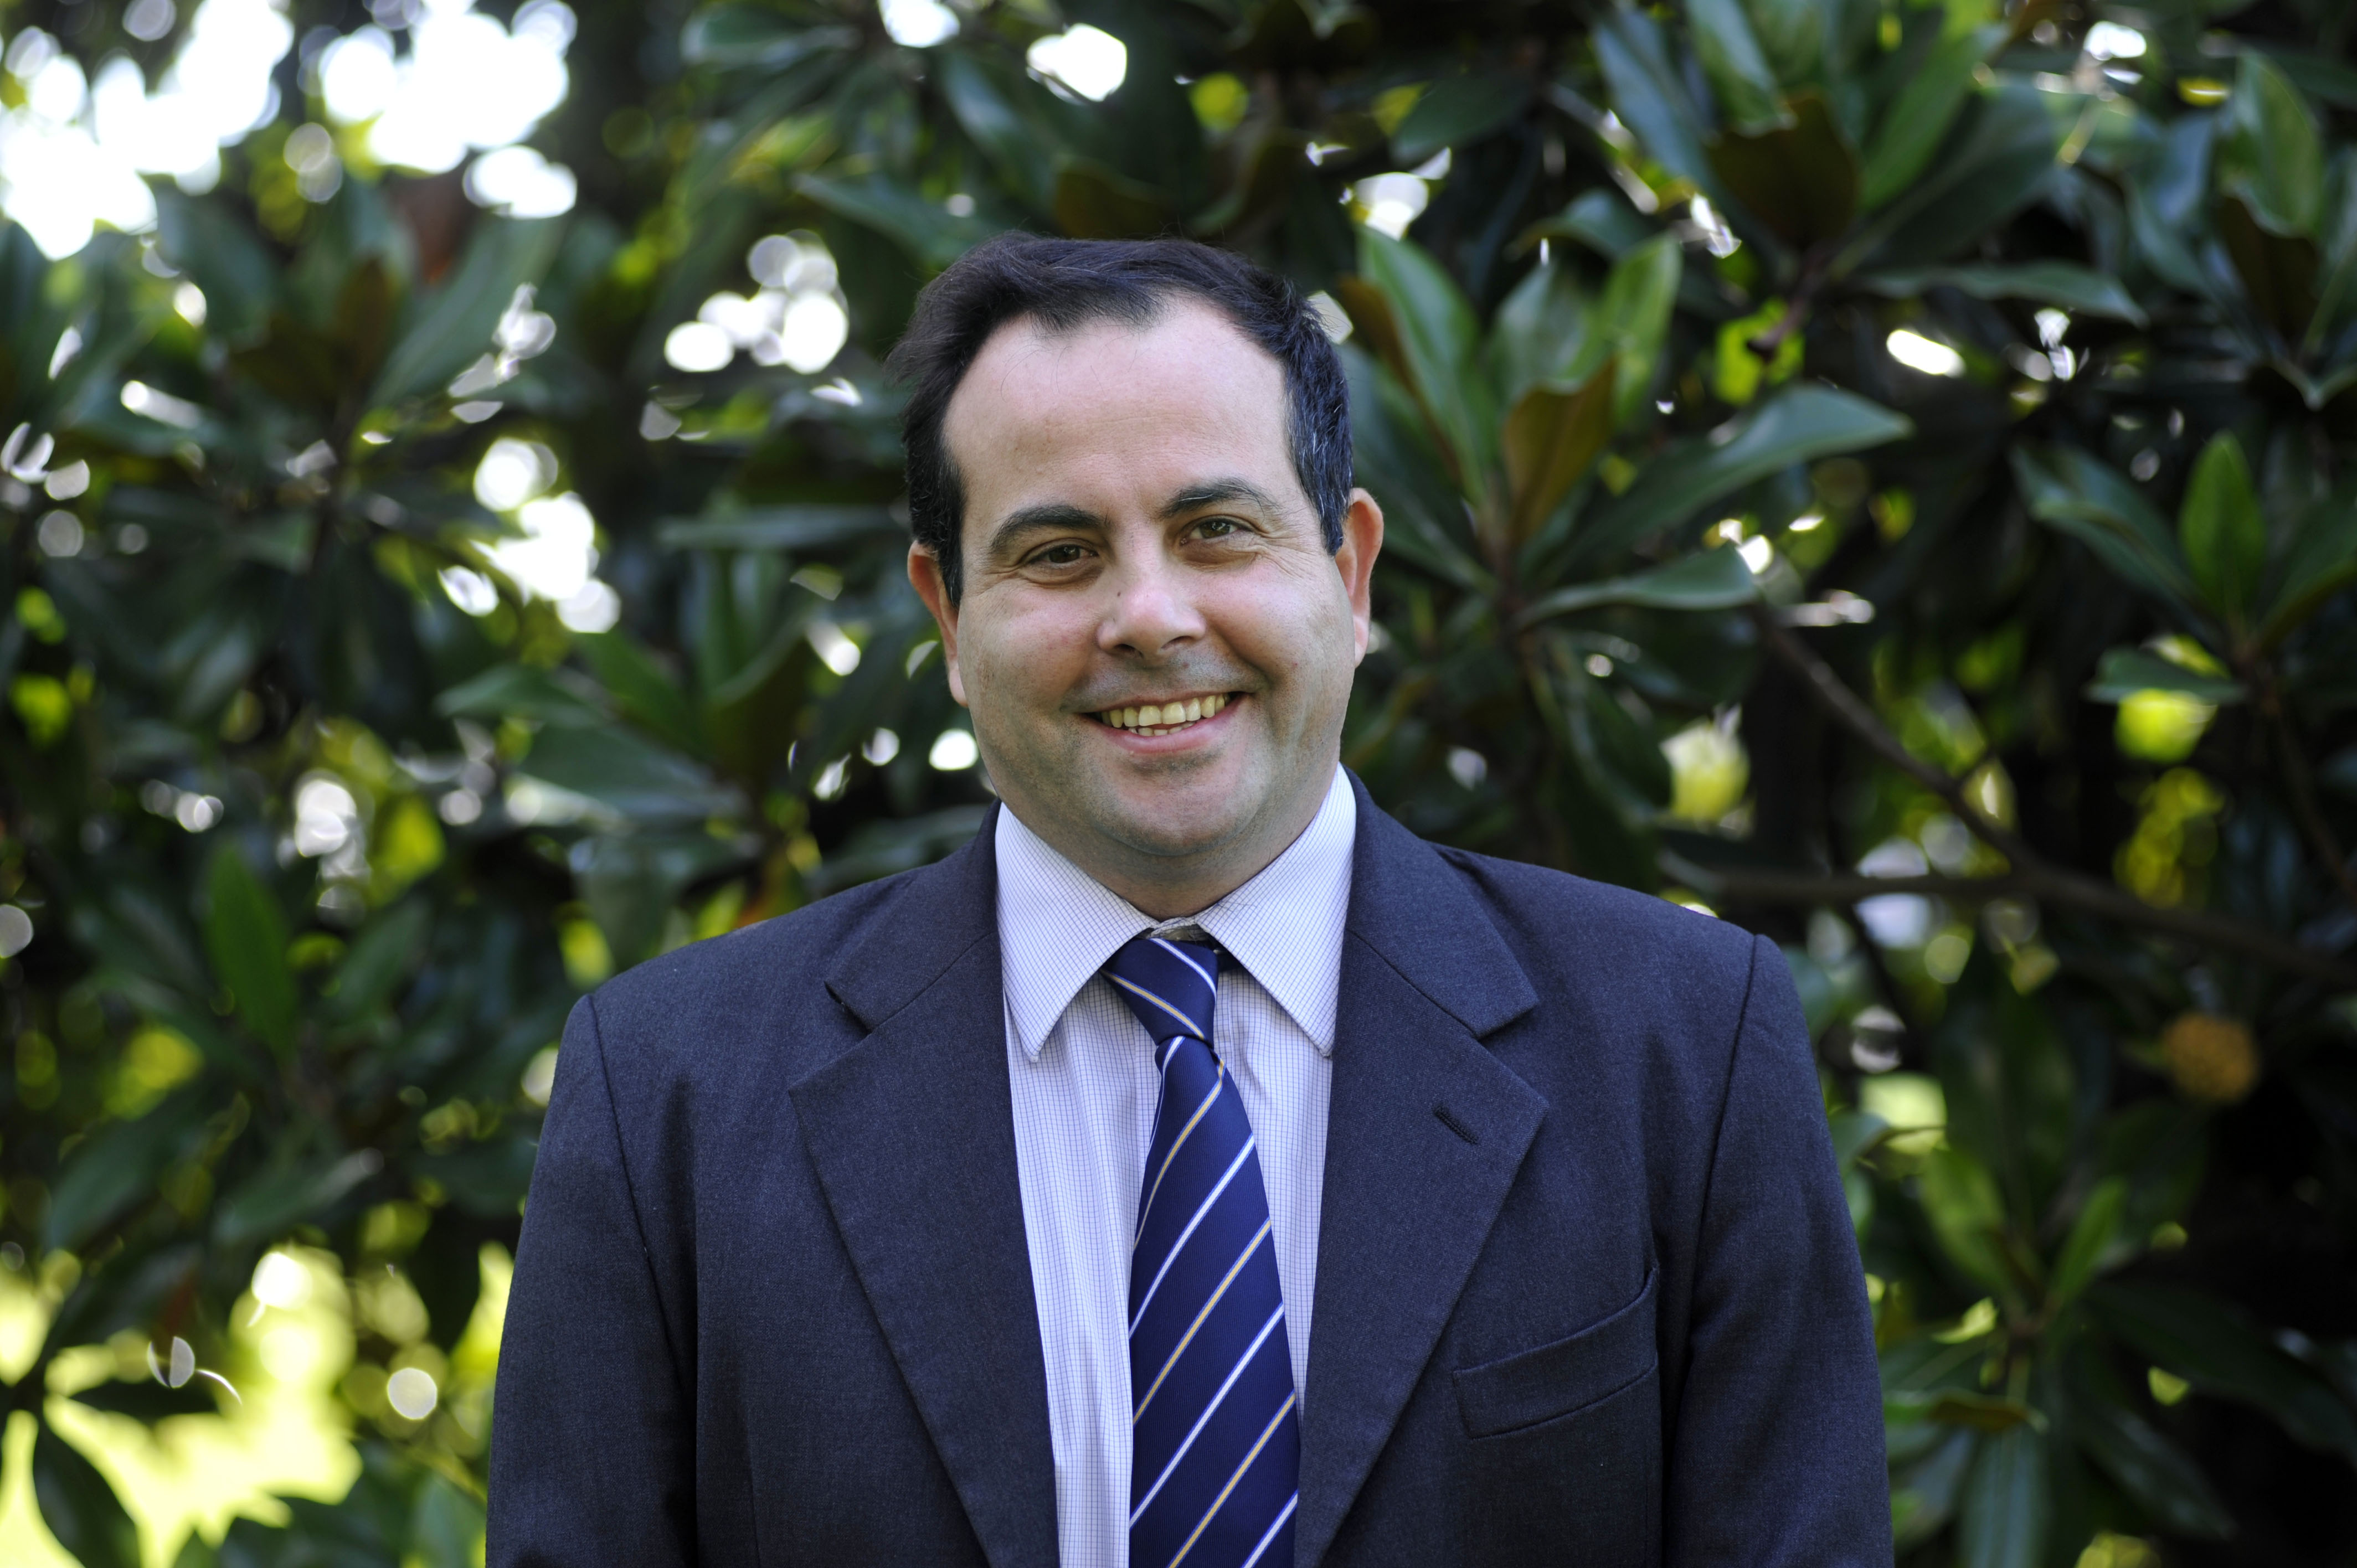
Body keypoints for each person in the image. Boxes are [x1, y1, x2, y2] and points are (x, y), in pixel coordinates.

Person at [488, 234, 1887, 1568]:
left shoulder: (1684, 1050)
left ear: (1348, 574)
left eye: (1217, 530)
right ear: (948, 619)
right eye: (1058, 552)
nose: (1150, 617)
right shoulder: (667, 1091)